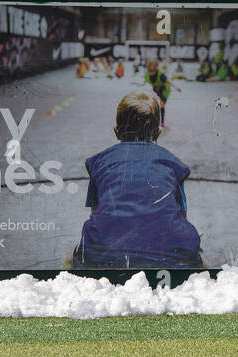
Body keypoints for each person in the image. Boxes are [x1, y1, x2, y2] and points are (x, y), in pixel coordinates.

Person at [68, 91, 204, 269]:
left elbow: (97, 213)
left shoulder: (100, 163)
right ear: (158, 131)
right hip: (167, 258)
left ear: (116, 131)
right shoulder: (172, 165)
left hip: (107, 257)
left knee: (70, 262)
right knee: (199, 266)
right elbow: (181, 216)